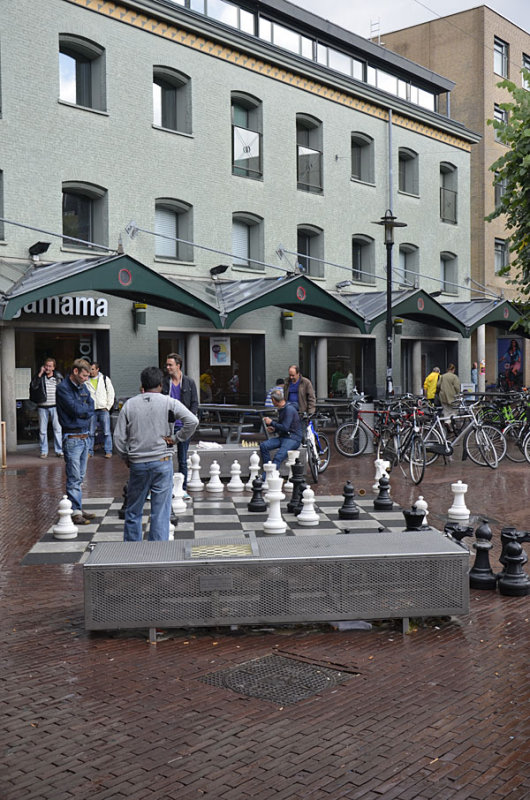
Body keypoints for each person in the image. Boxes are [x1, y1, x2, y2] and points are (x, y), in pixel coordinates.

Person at [113, 366, 198, 542]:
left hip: (138, 463)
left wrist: (126, 457)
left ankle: (132, 551)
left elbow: (118, 438)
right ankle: (156, 552)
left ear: (142, 384)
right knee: (160, 512)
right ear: (161, 384)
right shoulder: (169, 402)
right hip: (162, 461)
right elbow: (193, 421)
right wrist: (176, 438)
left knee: (133, 510)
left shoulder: (130, 404)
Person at [56, 358, 95, 526]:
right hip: (72, 437)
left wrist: (83, 410)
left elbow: (91, 406)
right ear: (75, 372)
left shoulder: (82, 386)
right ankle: (76, 512)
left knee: (79, 477)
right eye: (84, 376)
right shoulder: (63, 388)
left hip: (84, 436)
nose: (86, 379)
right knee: (73, 478)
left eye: (88, 376)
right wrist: (83, 410)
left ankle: (77, 508)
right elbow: (76, 410)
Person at [162, 352, 199, 498]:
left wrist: (191, 417)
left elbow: (195, 402)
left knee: (183, 459)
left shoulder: (189, 382)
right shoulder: (164, 382)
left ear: (178, 366)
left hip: (184, 427)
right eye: (167, 365)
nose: (167, 367)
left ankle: (182, 489)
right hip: (168, 426)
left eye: (170, 365)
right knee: (167, 458)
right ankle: (167, 488)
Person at [260, 389, 302, 476]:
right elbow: (283, 426)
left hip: (293, 438)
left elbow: (286, 427)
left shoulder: (289, 409)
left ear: (274, 400)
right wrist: (274, 429)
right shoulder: (282, 408)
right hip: (283, 437)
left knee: (278, 457)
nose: (272, 403)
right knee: (264, 446)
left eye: (272, 401)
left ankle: (268, 477)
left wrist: (271, 422)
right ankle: (268, 470)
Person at [29, 357, 64, 458]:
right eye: (46, 366)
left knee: (57, 429)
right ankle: (44, 451)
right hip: (42, 406)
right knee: (42, 430)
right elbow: (33, 386)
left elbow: (63, 391)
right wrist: (40, 373)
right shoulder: (40, 377)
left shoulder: (58, 377)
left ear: (53, 367)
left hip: (55, 406)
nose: (47, 368)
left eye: (50, 366)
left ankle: (59, 450)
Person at [86, 361, 115, 458]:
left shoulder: (105, 379)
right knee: (91, 432)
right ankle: (90, 451)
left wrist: (108, 407)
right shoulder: (86, 381)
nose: (91, 371)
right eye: (90, 369)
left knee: (106, 431)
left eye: (93, 369)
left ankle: (108, 451)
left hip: (103, 409)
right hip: (92, 409)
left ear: (98, 369)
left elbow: (111, 393)